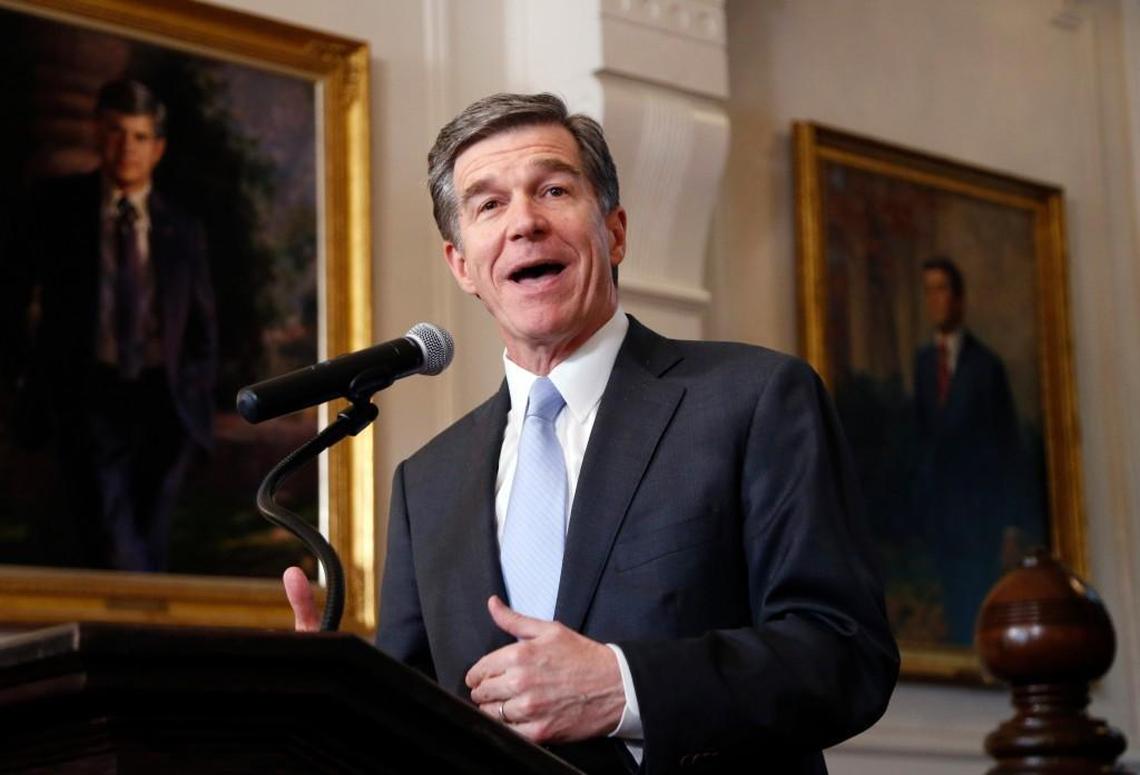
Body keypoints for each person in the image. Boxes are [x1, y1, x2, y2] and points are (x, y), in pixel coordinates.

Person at [286, 93, 898, 774]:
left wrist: (624, 685)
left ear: (615, 232)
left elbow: (845, 652)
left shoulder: (753, 399)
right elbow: (415, 727)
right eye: (489, 204)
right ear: (462, 265)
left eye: (552, 188)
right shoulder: (426, 482)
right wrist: (334, 706)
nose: (524, 222)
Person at [9, 79, 217, 572]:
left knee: (152, 534)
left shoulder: (182, 229)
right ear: (98, 135)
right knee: (106, 534)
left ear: (158, 148)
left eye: (140, 136)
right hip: (87, 394)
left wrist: (194, 393)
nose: (128, 147)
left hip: (162, 402)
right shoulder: (57, 209)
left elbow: (201, 329)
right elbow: (14, 297)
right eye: (116, 132)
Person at [912, 257, 1030, 645]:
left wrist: (1011, 524)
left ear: (959, 299)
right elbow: (921, 438)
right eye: (928, 290)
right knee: (948, 601)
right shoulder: (924, 363)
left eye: (942, 289)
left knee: (976, 607)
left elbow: (1007, 445)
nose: (935, 299)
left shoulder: (985, 366)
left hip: (979, 516)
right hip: (939, 515)